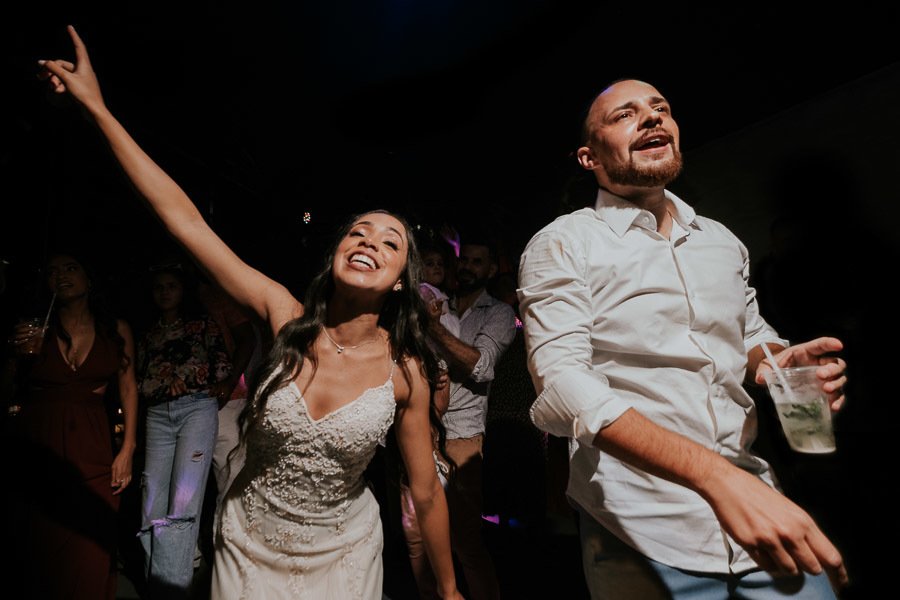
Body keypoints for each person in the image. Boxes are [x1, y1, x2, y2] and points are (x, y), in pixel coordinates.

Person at [37, 26, 462, 600]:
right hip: (248, 544)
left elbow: (426, 492)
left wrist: (452, 589)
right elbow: (184, 221)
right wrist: (98, 109)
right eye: (358, 232)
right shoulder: (283, 313)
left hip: (345, 552)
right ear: (336, 251)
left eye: (390, 242)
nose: (369, 241)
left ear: (400, 283)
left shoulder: (404, 369)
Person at [517, 79, 849, 599]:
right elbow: (563, 385)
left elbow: (750, 338)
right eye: (625, 115)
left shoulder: (720, 239)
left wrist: (778, 362)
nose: (652, 118)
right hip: (641, 524)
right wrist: (714, 476)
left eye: (660, 108)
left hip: (757, 502)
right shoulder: (563, 241)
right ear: (589, 157)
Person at [8, 251, 138, 600]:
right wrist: (14, 353)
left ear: (89, 279)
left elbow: (127, 388)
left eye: (70, 268)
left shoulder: (117, 330)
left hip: (94, 444)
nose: (60, 275)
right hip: (38, 440)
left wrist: (127, 448)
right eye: (51, 271)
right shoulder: (33, 328)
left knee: (90, 545)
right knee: (39, 544)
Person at [410, 241, 516, 600]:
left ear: (489, 270)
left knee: (463, 537)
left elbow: (482, 367)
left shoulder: (498, 313)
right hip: (419, 429)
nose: (468, 267)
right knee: (418, 538)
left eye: (477, 262)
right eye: (464, 260)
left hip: (461, 435)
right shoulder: (437, 300)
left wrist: (433, 327)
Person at [136, 265, 232, 596]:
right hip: (157, 414)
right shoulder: (148, 334)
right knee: (151, 500)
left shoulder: (202, 324)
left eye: (172, 285)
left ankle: (170, 589)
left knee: (184, 500)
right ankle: (161, 580)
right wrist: (165, 380)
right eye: (158, 286)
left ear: (183, 289)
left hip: (196, 407)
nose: (164, 292)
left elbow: (222, 365)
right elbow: (138, 381)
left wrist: (186, 377)